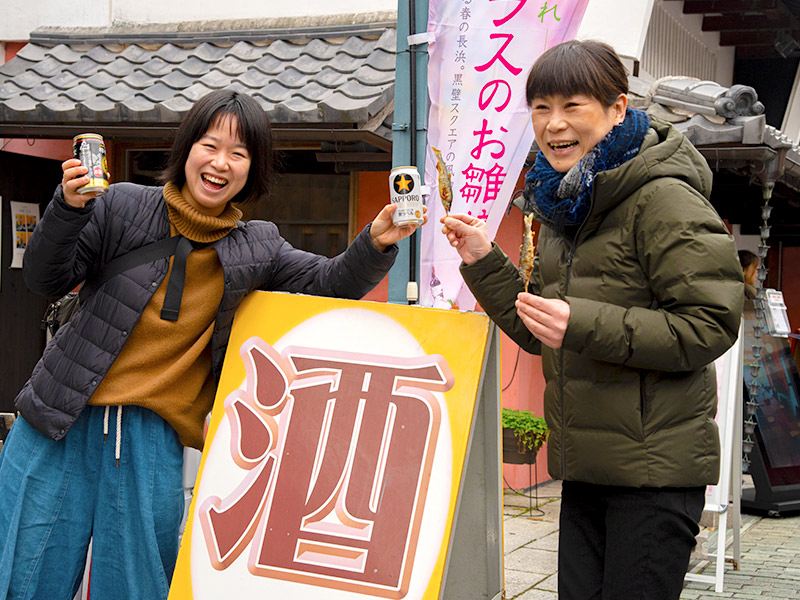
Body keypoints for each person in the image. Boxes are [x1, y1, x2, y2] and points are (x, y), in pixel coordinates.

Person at [0, 89, 425, 600]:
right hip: (57, 421)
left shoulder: (258, 245)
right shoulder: (119, 206)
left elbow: (328, 283)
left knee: (137, 587)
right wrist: (68, 209)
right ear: (187, 149)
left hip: (151, 438)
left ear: (253, 170)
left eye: (239, 153)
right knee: (24, 579)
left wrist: (376, 241)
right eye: (210, 144)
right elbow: (46, 277)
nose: (220, 162)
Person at [442, 40, 743, 600]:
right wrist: (485, 261)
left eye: (572, 106)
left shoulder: (664, 199)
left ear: (618, 109)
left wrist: (581, 323)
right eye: (540, 108)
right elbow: (544, 332)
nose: (554, 125)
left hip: (654, 477)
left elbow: (710, 325)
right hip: (586, 470)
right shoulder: (568, 208)